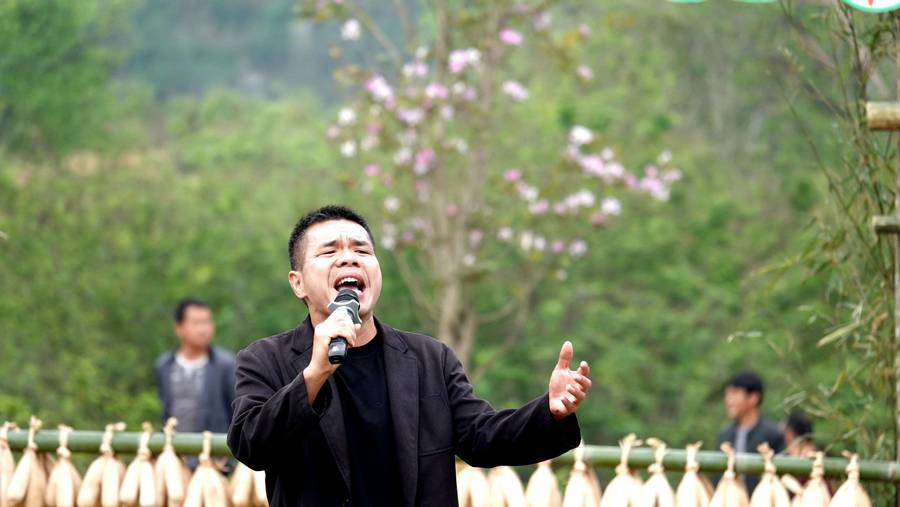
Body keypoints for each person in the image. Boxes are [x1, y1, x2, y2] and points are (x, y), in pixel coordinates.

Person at [227, 205, 593, 507]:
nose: (349, 259)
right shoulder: (265, 359)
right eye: (329, 252)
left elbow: (482, 438)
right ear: (298, 283)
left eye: (362, 251)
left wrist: (551, 411)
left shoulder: (430, 359)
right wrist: (314, 374)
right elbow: (251, 445)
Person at [155, 298, 236, 435]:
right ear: (179, 328)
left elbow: (236, 412)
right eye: (196, 323)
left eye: (207, 322)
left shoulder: (226, 365)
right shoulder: (165, 365)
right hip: (173, 446)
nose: (203, 329)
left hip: (213, 446)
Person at [715, 371, 785, 494]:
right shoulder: (725, 435)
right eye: (727, 394)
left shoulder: (772, 434)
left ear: (753, 398)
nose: (728, 400)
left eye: (735, 393)